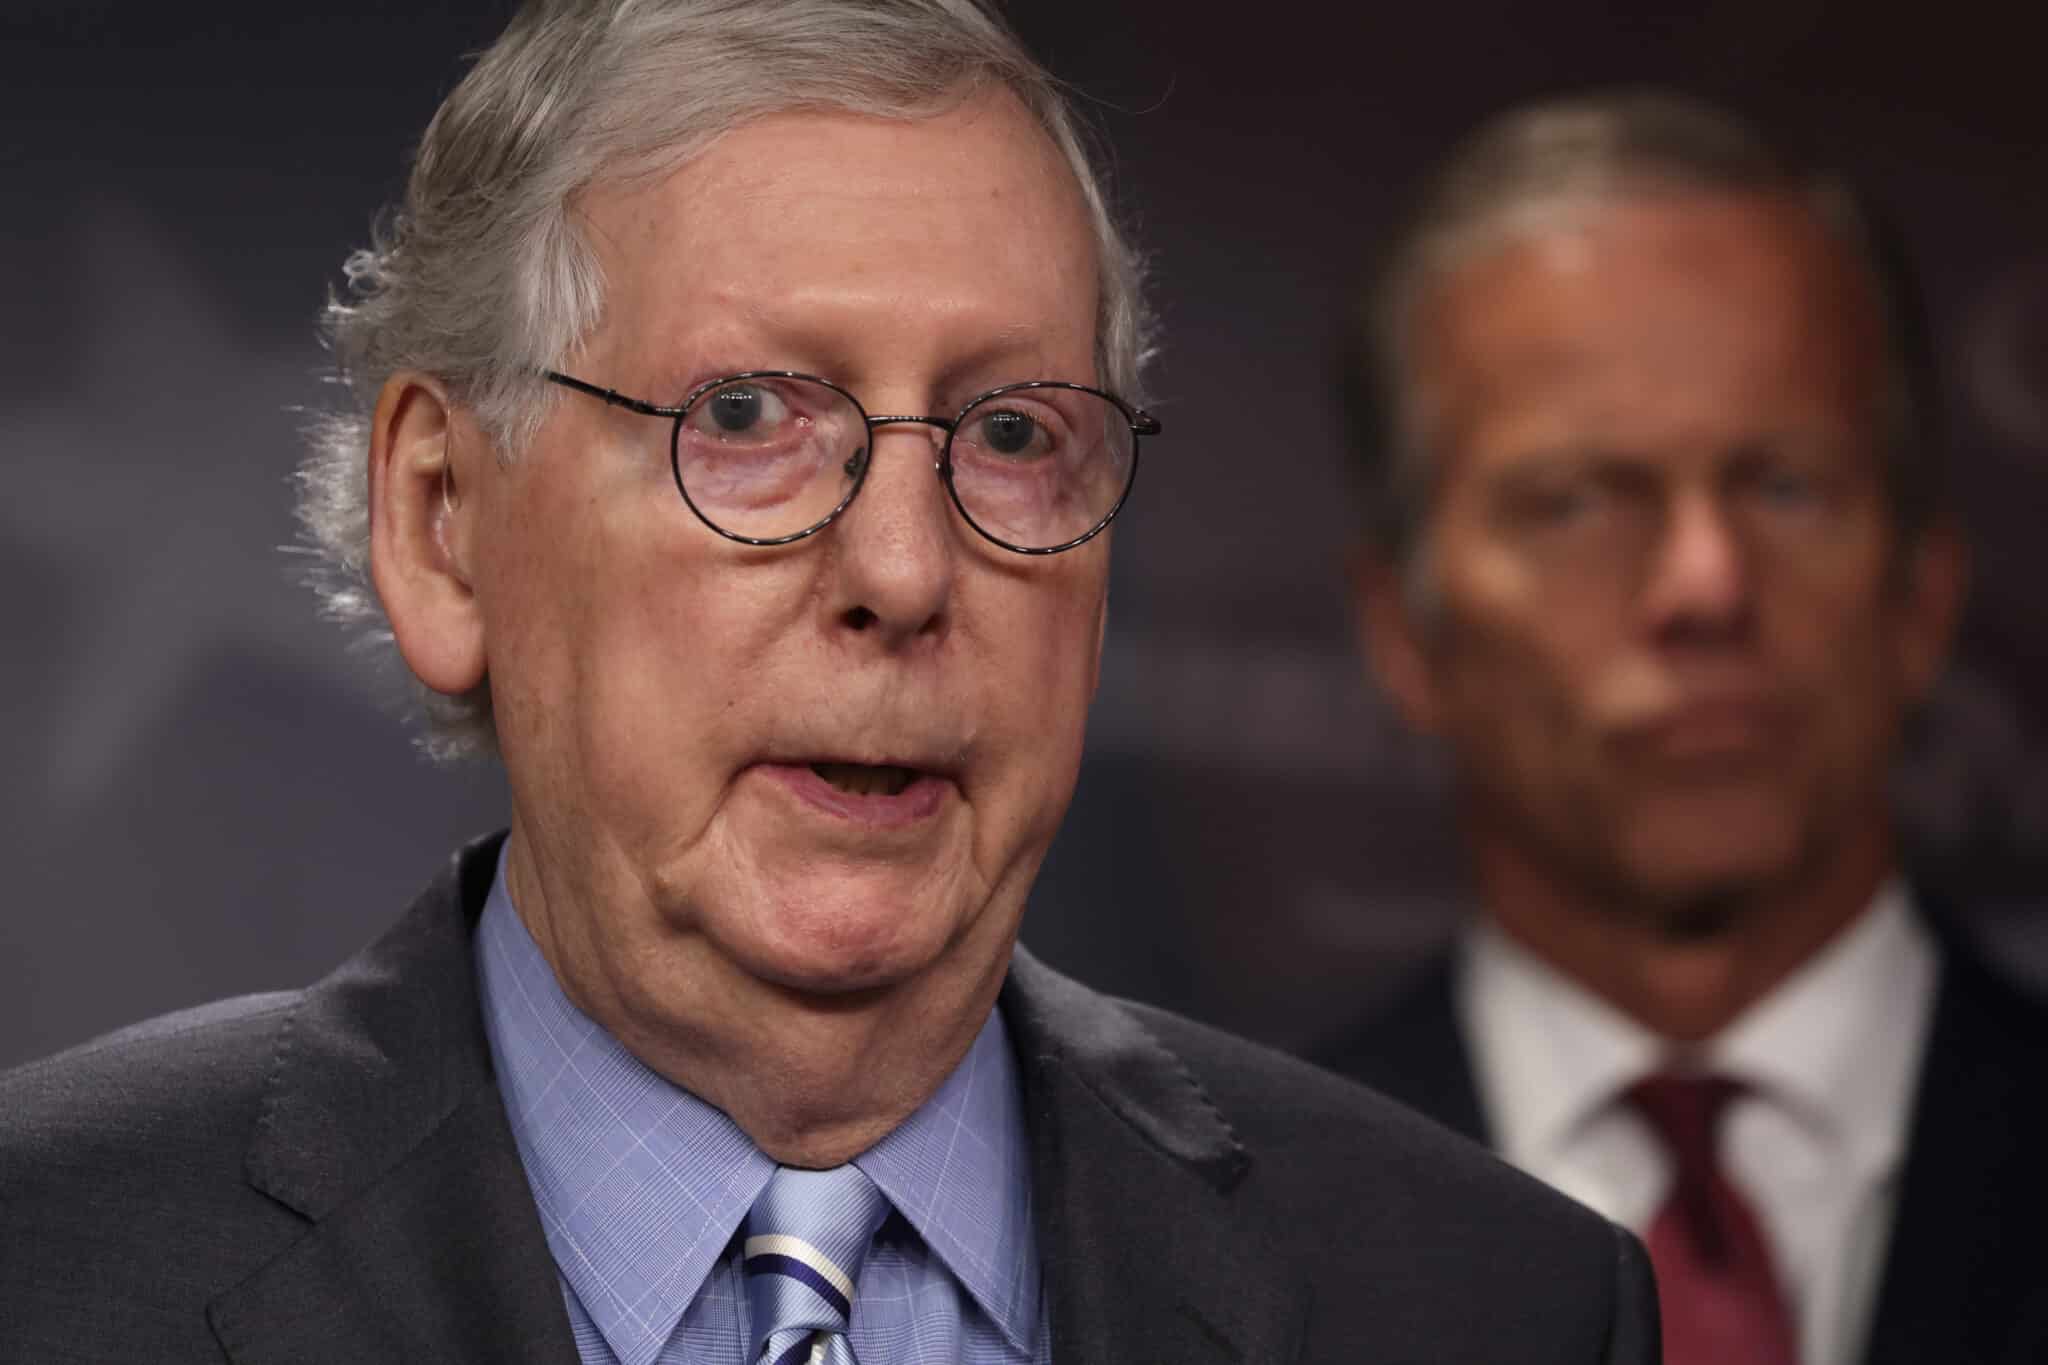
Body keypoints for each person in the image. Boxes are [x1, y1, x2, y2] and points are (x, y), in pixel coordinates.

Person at [0, 5, 1658, 1362]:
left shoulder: (1488, 1308)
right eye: (744, 419)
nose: (902, 572)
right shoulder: (48, 1267)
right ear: (445, 526)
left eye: (1011, 435)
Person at [1314, 89, 2048, 1365]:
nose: (1703, 585)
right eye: (1576, 502)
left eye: (1783, 484)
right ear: (1401, 634)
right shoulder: (1204, 1238)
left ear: (1922, 593)